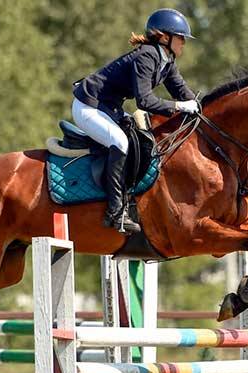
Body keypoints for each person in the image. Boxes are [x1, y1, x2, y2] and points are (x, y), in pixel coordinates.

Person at [72, 8, 200, 234]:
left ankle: (130, 200)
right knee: (120, 142)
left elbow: (182, 92)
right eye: (181, 38)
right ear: (164, 37)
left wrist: (203, 109)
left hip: (109, 108)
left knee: (142, 140)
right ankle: (115, 213)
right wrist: (180, 107)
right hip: (87, 106)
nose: (184, 43)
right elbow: (145, 101)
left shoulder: (167, 61)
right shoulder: (147, 56)